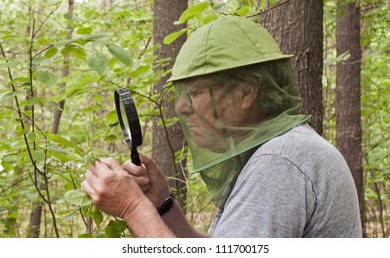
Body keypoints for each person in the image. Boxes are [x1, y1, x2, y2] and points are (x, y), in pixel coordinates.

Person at [82, 16, 362, 237]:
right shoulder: (286, 149)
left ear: (246, 91)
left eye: (195, 92)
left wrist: (132, 207)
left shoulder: (280, 161)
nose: (181, 107)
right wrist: (162, 204)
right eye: (182, 94)